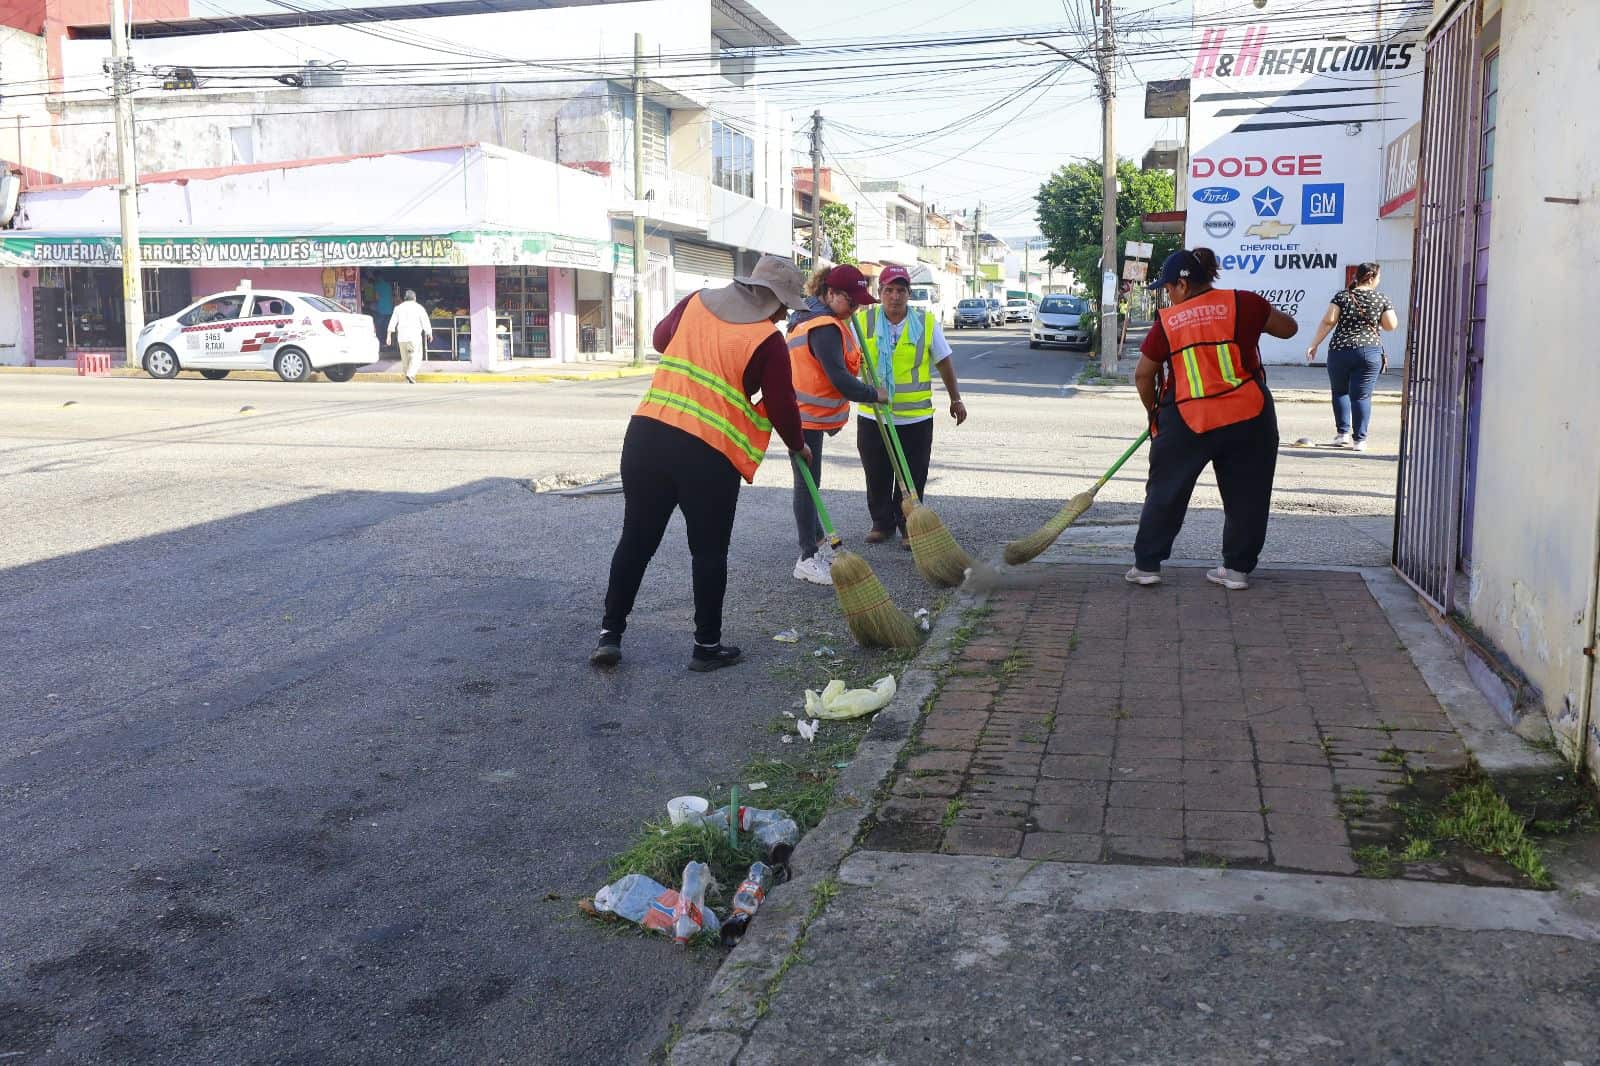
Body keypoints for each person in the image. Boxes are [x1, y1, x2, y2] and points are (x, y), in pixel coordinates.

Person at [592, 255, 811, 672]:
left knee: (636, 540)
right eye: (786, 305)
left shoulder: (695, 301)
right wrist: (798, 444)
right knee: (708, 551)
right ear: (773, 301)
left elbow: (660, 339)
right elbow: (782, 405)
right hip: (707, 454)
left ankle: (610, 635)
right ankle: (706, 646)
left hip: (647, 437)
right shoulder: (767, 340)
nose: (786, 314)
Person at [1129, 247, 1299, 591]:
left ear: (1182, 285)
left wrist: (1153, 414)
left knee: (1166, 491)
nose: (1167, 295)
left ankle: (1147, 565)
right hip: (1249, 414)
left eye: (1168, 288)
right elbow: (1289, 329)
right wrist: (1255, 319)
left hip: (1190, 416)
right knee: (1248, 494)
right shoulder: (1245, 303)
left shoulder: (1169, 321)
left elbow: (1143, 375)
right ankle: (1236, 570)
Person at [851, 264, 967, 548]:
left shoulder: (926, 323)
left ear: (908, 294)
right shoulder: (863, 322)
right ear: (879, 293)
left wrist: (956, 398)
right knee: (876, 474)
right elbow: (845, 362)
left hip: (915, 418)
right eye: (888, 290)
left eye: (900, 290)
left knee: (913, 476)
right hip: (874, 415)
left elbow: (944, 362)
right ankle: (881, 523)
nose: (894, 296)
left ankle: (909, 525)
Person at [785, 264, 886, 586]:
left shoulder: (809, 318)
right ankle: (807, 557)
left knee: (810, 482)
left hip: (806, 414)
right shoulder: (824, 326)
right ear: (829, 293)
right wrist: (873, 394)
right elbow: (838, 378)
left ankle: (816, 544)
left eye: (858, 302)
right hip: (802, 417)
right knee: (807, 483)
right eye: (850, 300)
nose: (855, 308)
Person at [1303, 262, 1399, 452]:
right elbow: (1391, 325)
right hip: (1369, 351)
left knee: (1340, 392)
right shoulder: (1381, 298)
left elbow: (1328, 321)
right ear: (1371, 278)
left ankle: (1342, 434)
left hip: (1340, 350)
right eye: (1379, 277)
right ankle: (1359, 440)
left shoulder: (1342, 296)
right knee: (1361, 396)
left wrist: (1314, 344)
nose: (1379, 281)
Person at [386, 289, 433, 384]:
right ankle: (410, 374)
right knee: (416, 357)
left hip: (402, 338)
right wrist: (429, 333)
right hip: (414, 337)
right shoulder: (419, 308)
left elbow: (392, 322)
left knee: (405, 359)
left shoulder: (398, 308)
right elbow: (425, 321)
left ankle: (407, 377)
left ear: (405, 298)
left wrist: (389, 336)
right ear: (414, 298)